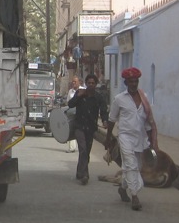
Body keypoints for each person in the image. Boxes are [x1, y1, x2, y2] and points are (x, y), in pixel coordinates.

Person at [104, 67, 158, 211]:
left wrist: (152, 142)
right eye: (131, 81)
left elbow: (148, 122)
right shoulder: (119, 99)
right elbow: (111, 120)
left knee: (136, 167)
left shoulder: (144, 98)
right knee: (131, 164)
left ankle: (123, 188)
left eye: (136, 81)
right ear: (126, 83)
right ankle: (135, 196)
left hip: (140, 138)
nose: (134, 84)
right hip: (125, 137)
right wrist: (108, 138)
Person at [67, 74, 108, 185]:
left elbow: (103, 110)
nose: (90, 85)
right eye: (89, 83)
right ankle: (85, 174)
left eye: (93, 83)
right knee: (83, 149)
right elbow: (70, 104)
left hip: (91, 128)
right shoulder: (80, 94)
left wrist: (105, 121)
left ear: (96, 84)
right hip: (79, 127)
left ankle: (79, 171)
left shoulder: (99, 97)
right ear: (86, 83)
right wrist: (78, 96)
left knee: (87, 151)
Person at [64, 75, 81, 152]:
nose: (73, 83)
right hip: (71, 113)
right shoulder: (70, 91)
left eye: (75, 82)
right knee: (71, 128)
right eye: (73, 82)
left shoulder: (83, 90)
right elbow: (68, 102)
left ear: (79, 82)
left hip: (80, 113)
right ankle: (72, 148)